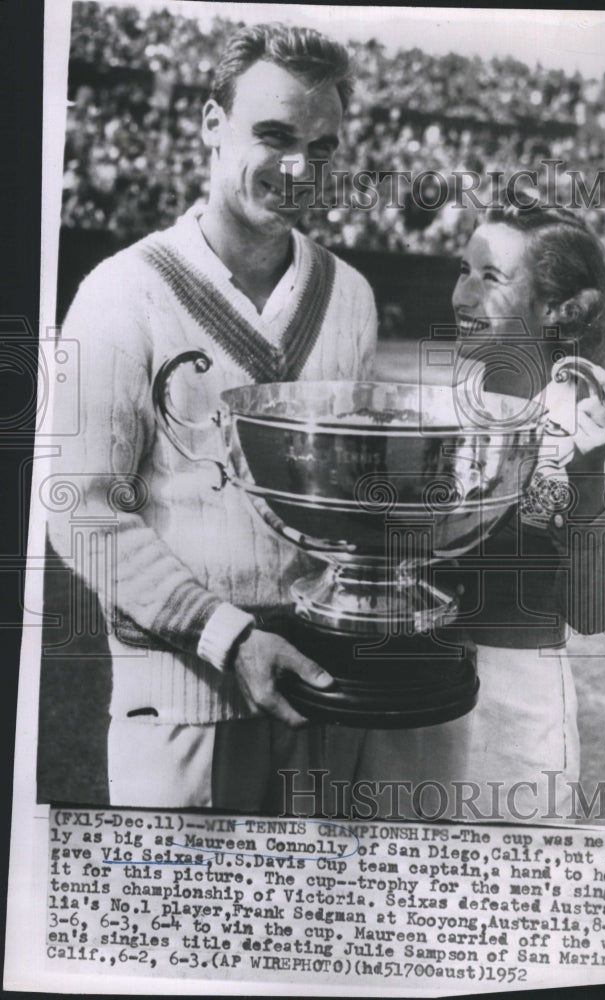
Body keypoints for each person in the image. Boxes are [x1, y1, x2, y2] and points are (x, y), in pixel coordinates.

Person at [47, 23, 377, 809]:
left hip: (320, 688)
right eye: (273, 135)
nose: (299, 168)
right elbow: (82, 512)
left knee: (316, 927)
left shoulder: (351, 296)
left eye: (322, 147)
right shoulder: (121, 290)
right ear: (209, 124)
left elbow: (351, 504)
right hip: (182, 700)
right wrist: (228, 639)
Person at [353, 205, 605, 823]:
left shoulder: (594, 427)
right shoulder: (429, 410)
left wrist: (587, 490)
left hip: (517, 716)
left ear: (556, 309)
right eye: (463, 270)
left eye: (492, 277)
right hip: (410, 694)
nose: (464, 294)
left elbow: (592, 613)